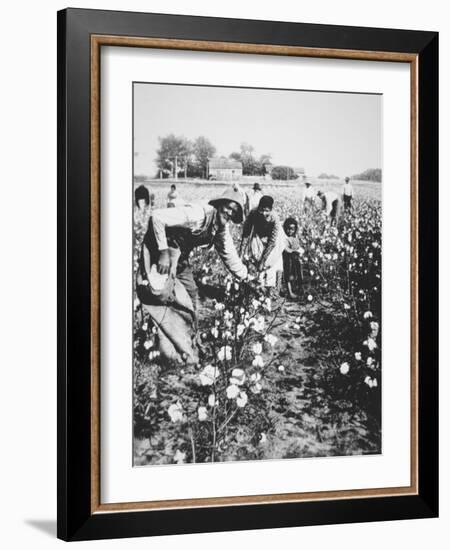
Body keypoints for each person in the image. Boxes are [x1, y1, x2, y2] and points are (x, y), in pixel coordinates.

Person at [137, 189, 248, 364]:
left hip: (179, 258)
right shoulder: (198, 214)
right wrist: (163, 252)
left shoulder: (219, 229)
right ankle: (160, 348)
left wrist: (247, 277)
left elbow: (230, 256)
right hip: (158, 251)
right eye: (228, 208)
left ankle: (189, 345)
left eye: (234, 212)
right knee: (161, 296)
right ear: (219, 204)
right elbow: (157, 217)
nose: (230, 213)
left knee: (191, 295)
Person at [240, 195, 286, 288]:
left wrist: (262, 261)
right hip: (258, 235)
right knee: (252, 258)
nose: (263, 213)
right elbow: (246, 233)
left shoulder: (274, 219)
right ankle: (253, 283)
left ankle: (271, 287)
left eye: (266, 211)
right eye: (262, 210)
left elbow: (272, 242)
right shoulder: (253, 213)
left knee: (271, 262)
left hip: (273, 240)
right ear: (258, 207)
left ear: (271, 210)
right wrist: (241, 254)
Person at [282, 217, 302, 299]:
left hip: (295, 259)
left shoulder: (295, 238)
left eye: (292, 229)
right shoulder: (285, 238)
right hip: (288, 259)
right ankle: (290, 292)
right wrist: (293, 251)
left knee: (297, 273)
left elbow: (298, 247)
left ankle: (296, 289)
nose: (290, 231)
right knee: (288, 275)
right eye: (288, 229)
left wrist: (298, 250)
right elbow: (285, 249)